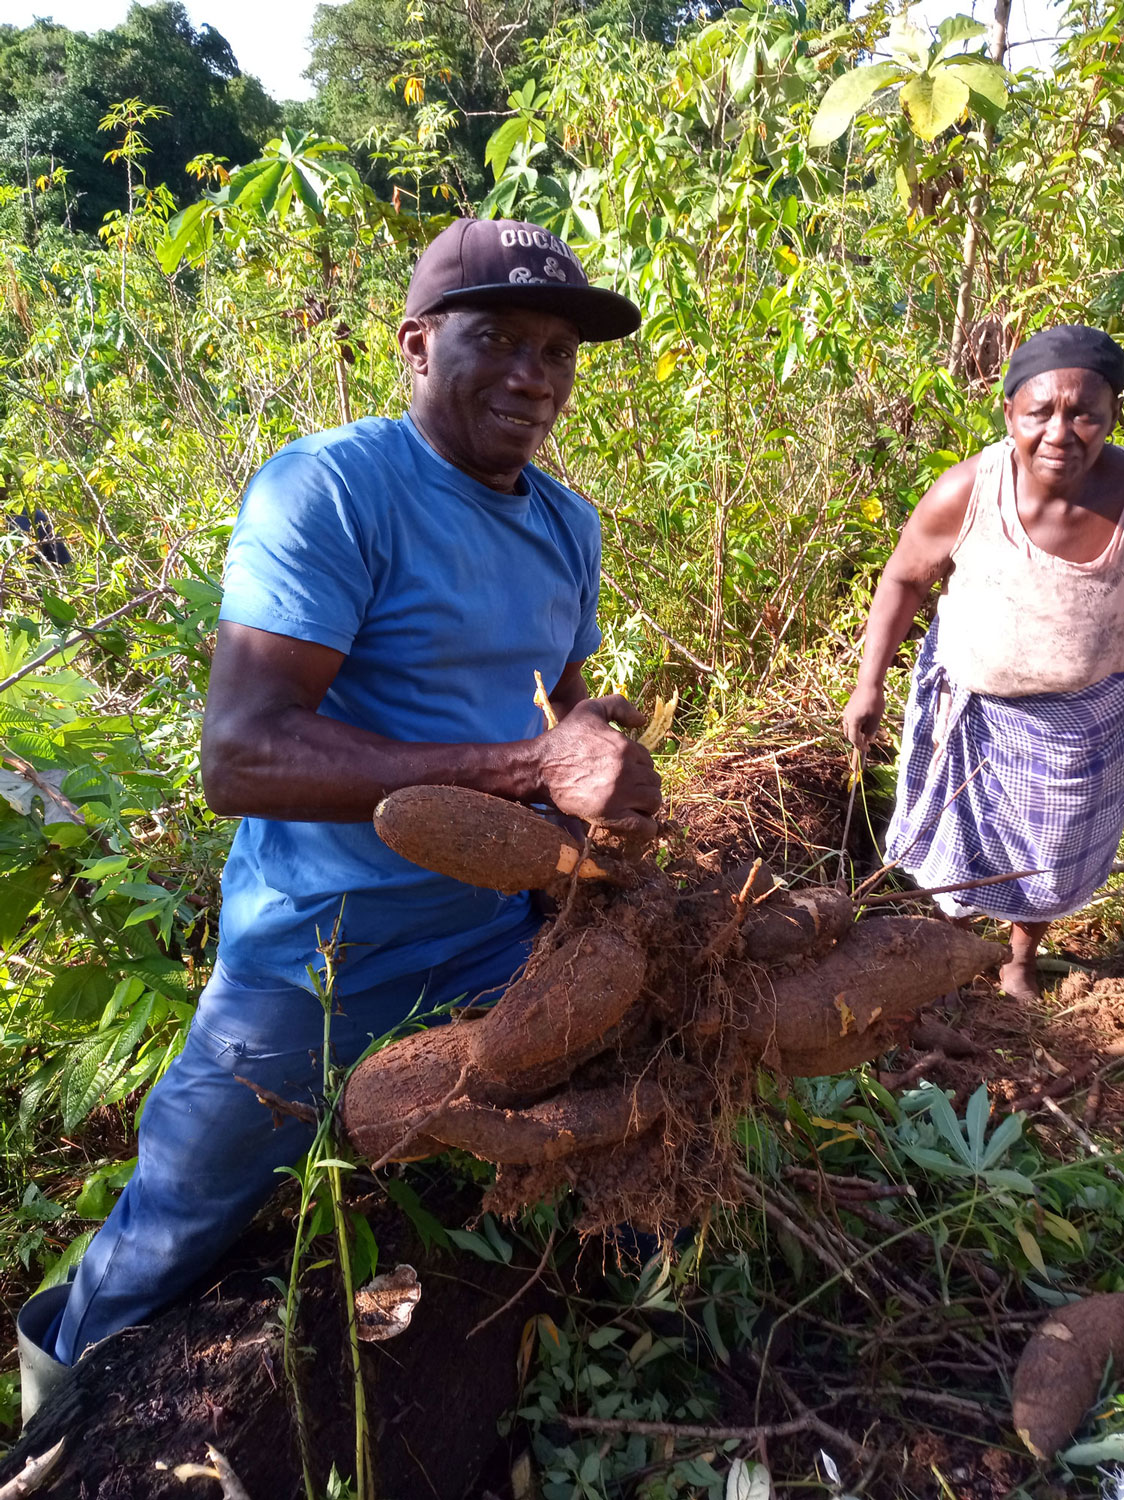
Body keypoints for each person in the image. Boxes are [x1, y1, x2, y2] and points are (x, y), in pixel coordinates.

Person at [16, 217, 661, 1413]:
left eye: (559, 352)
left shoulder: (570, 528)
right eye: (500, 339)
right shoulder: (334, 488)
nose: (534, 373)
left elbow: (562, 716)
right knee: (180, 1212)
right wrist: (529, 767)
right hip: (316, 949)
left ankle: (598, 1326)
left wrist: (604, 774)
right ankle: (58, 1408)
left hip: (492, 941)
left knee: (596, 1125)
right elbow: (244, 757)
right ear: (417, 346)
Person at [843, 324, 1124, 1004]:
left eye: (1083, 412)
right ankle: (953, 952)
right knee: (957, 844)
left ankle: (1019, 961)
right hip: (971, 710)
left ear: (1112, 413)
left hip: (1080, 722)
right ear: (1008, 414)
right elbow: (903, 580)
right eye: (1040, 412)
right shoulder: (967, 492)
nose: (1060, 432)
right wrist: (868, 684)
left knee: (1052, 860)